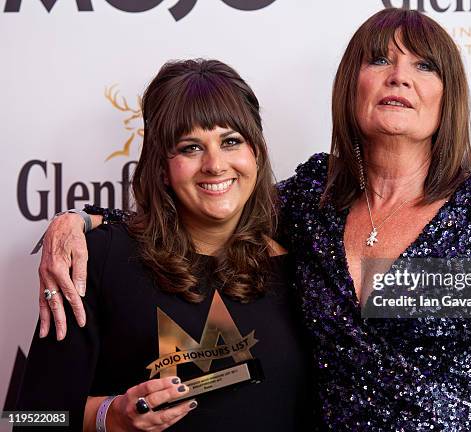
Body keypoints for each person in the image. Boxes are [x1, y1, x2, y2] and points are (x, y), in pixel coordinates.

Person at [33, 8, 471, 431]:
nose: (399, 77)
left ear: (448, 93)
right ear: (352, 86)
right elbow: (214, 201)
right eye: (379, 61)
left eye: (423, 64)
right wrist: (75, 221)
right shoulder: (310, 205)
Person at [17, 59, 311, 431]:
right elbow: (30, 418)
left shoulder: (301, 266)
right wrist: (113, 416)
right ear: (161, 167)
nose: (215, 164)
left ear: (256, 152)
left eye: (231, 141)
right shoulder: (96, 259)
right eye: (190, 148)